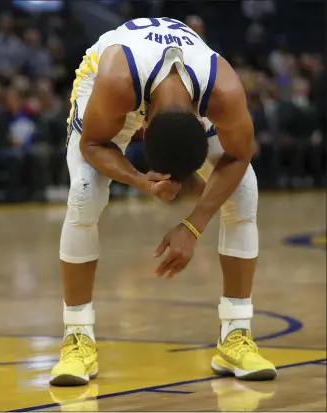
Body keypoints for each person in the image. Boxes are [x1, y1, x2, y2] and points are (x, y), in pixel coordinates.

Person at [50, 17, 276, 386]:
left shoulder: (224, 90)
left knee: (245, 191)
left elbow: (241, 154)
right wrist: (139, 180)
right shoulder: (116, 81)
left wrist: (193, 225)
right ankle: (77, 339)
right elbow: (93, 144)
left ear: (201, 119)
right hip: (105, 84)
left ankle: (236, 335)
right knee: (84, 194)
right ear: (143, 125)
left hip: (175, 88)